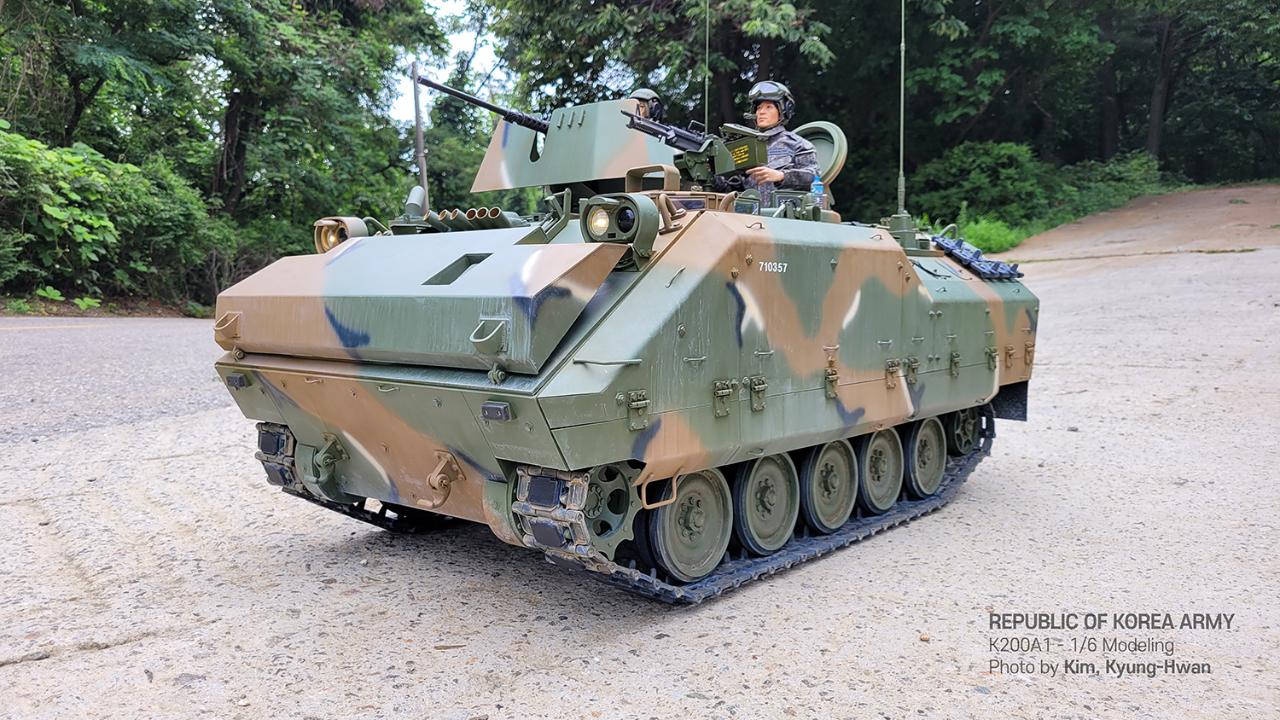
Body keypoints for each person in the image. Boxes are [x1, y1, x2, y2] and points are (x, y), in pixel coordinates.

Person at [739, 80, 819, 205]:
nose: (761, 112)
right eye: (759, 108)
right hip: (747, 214)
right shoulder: (747, 147)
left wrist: (781, 176)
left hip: (786, 213)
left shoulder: (797, 144)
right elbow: (735, 184)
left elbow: (814, 178)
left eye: (768, 107)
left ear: (783, 110)